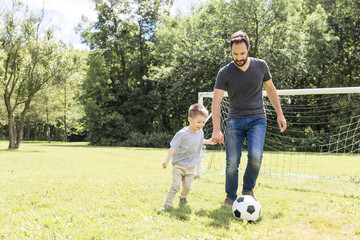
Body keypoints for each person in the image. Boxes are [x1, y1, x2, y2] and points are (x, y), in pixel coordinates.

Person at [211, 30, 287, 205]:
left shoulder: (261, 66)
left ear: (249, 49)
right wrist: (216, 128)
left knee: (255, 156)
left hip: (257, 119)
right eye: (235, 54)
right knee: (231, 162)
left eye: (242, 53)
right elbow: (216, 101)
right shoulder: (225, 72)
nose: (238, 57)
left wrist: (280, 114)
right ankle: (230, 197)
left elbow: (270, 89)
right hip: (234, 120)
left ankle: (247, 191)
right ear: (231, 52)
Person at [163, 103, 216, 210]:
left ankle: (183, 197)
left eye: (203, 122)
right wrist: (166, 160)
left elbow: (199, 141)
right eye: (199, 122)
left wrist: (209, 142)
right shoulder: (182, 134)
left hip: (191, 165)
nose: (201, 125)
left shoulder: (200, 132)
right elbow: (173, 147)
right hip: (179, 164)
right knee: (176, 185)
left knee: (187, 187)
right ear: (190, 120)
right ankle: (168, 204)